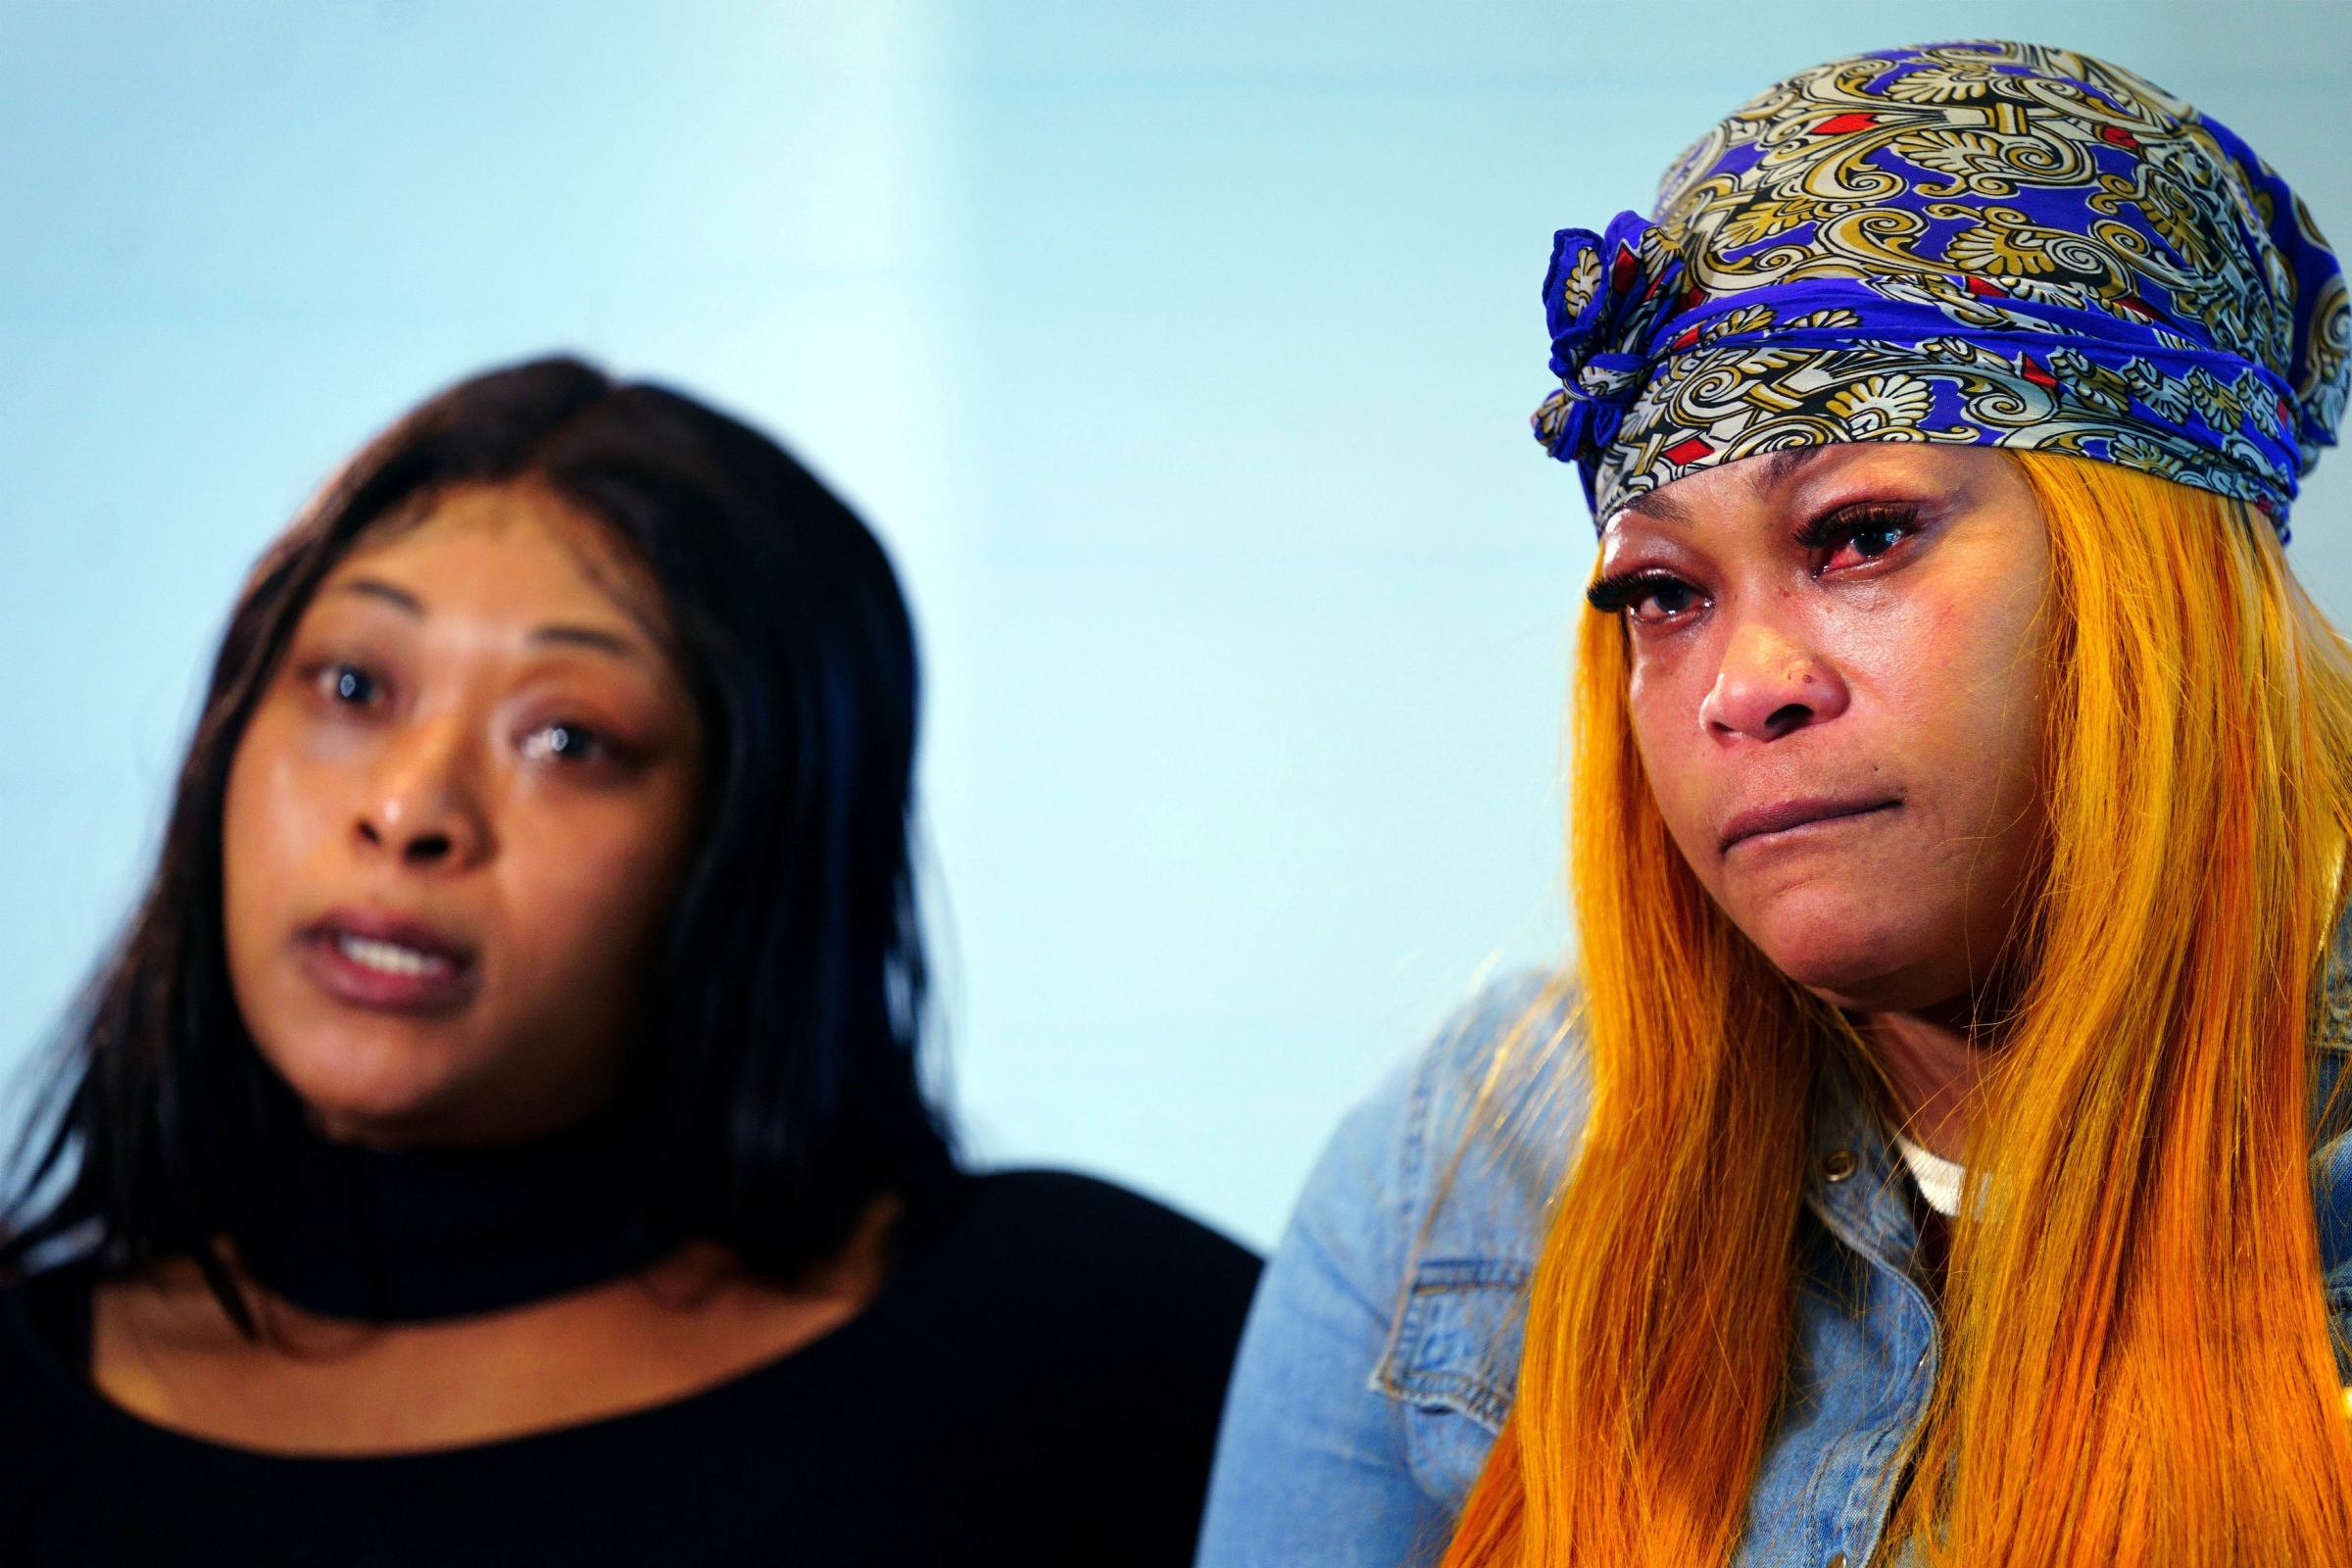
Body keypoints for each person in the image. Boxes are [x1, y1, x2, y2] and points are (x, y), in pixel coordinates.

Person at [1197, 39, 2352, 1568]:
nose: (1743, 684)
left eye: (1860, 536)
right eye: (1662, 592)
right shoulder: (1483, 1158)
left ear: (2160, 578)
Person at [0, 357, 1259, 1566]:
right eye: (351, 684)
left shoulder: (1081, 1340)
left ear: (757, 842)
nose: (409, 807)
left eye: (567, 738)